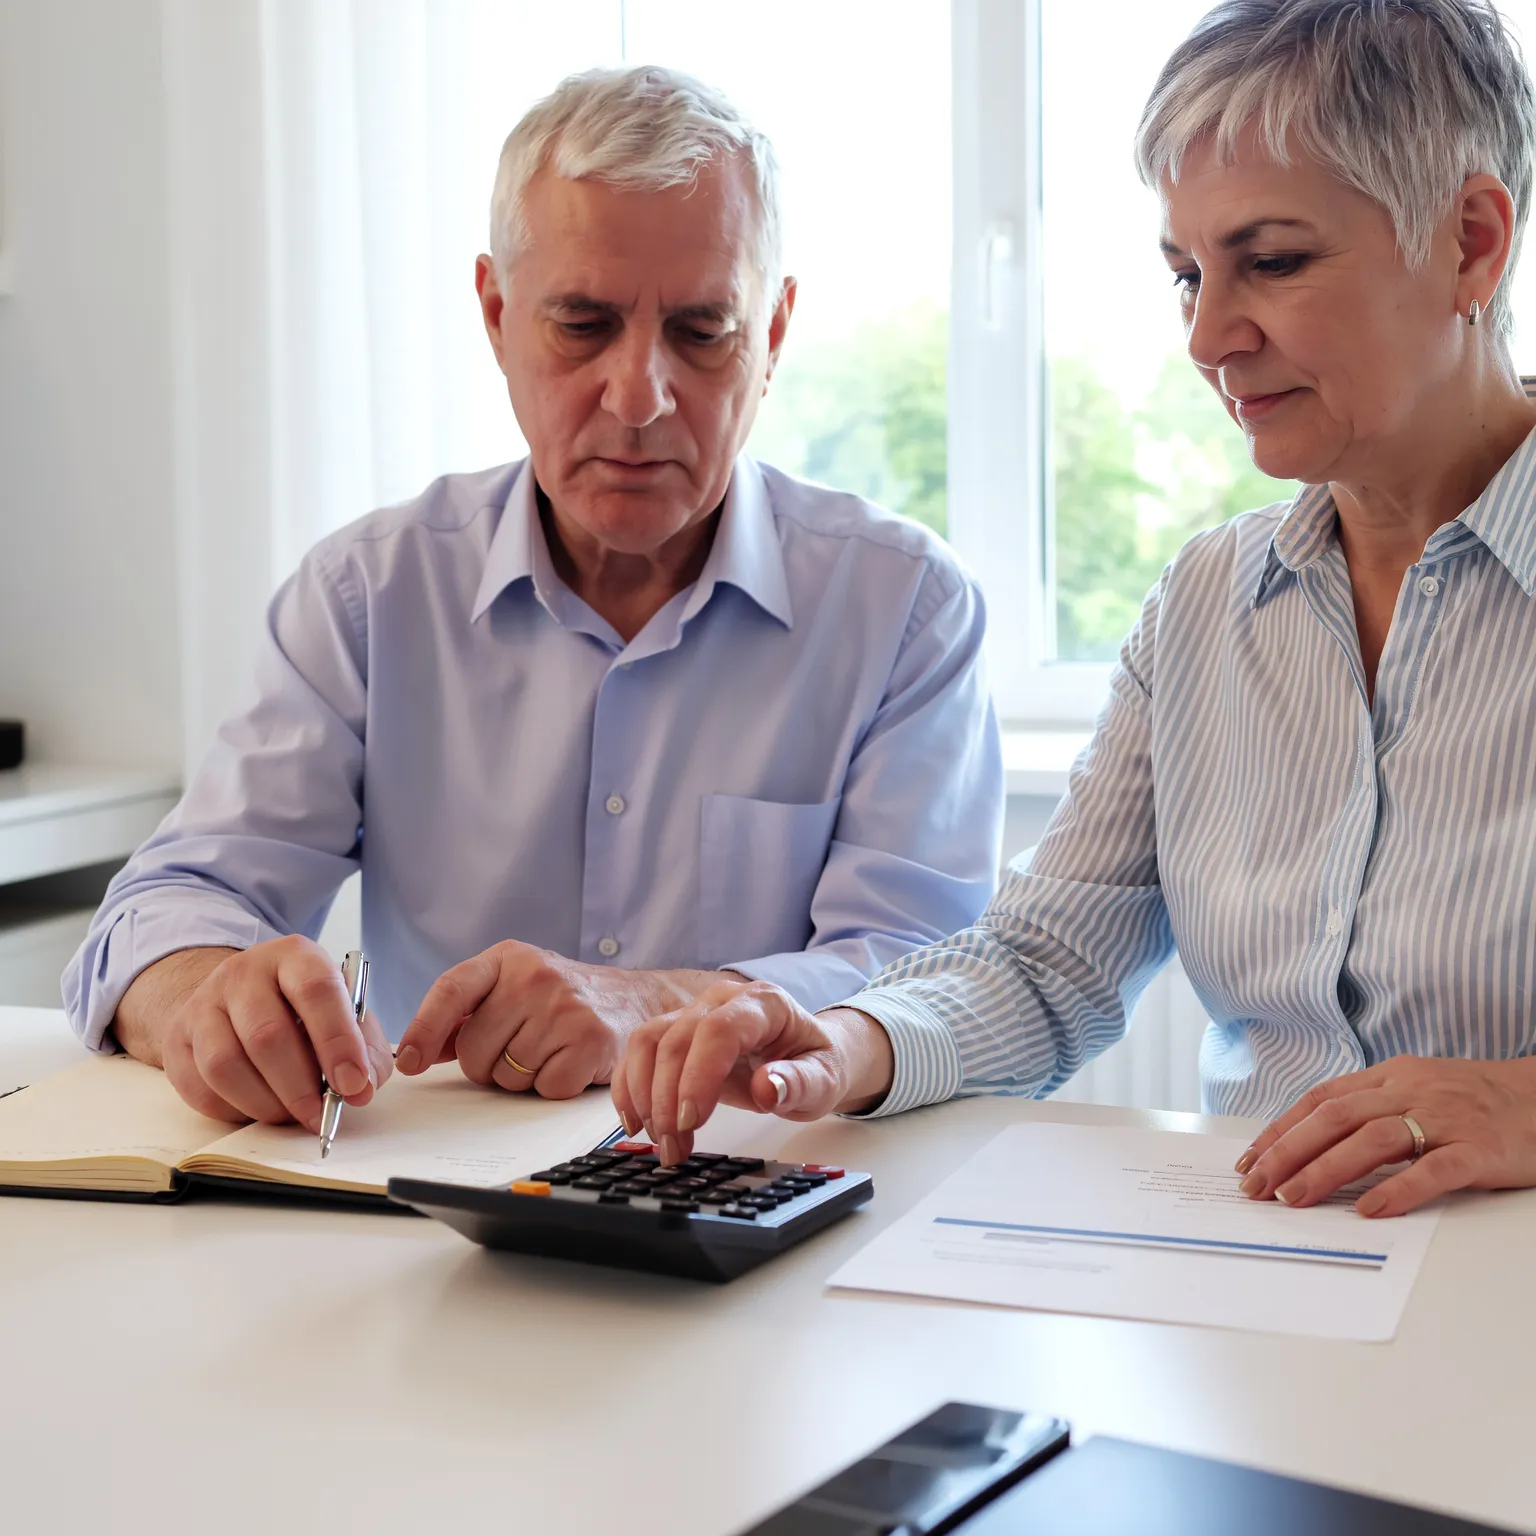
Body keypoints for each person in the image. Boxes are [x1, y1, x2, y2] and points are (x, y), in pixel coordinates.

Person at [617, 0, 1536, 1216]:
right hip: (1273, 1299)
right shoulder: (1205, 607)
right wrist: (842, 1043)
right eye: (1186, 275)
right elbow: (1047, 963)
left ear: (1472, 243)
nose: (1210, 335)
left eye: (1272, 261)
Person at [63, 66, 1002, 1140]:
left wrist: (655, 999)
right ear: (498, 314)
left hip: (769, 1194)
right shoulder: (369, 597)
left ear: (775, 334)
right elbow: (157, 913)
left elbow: (928, 976)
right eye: (583, 324)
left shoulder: (904, 611)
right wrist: (205, 996)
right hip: (419, 1214)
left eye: (703, 331)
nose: (639, 395)